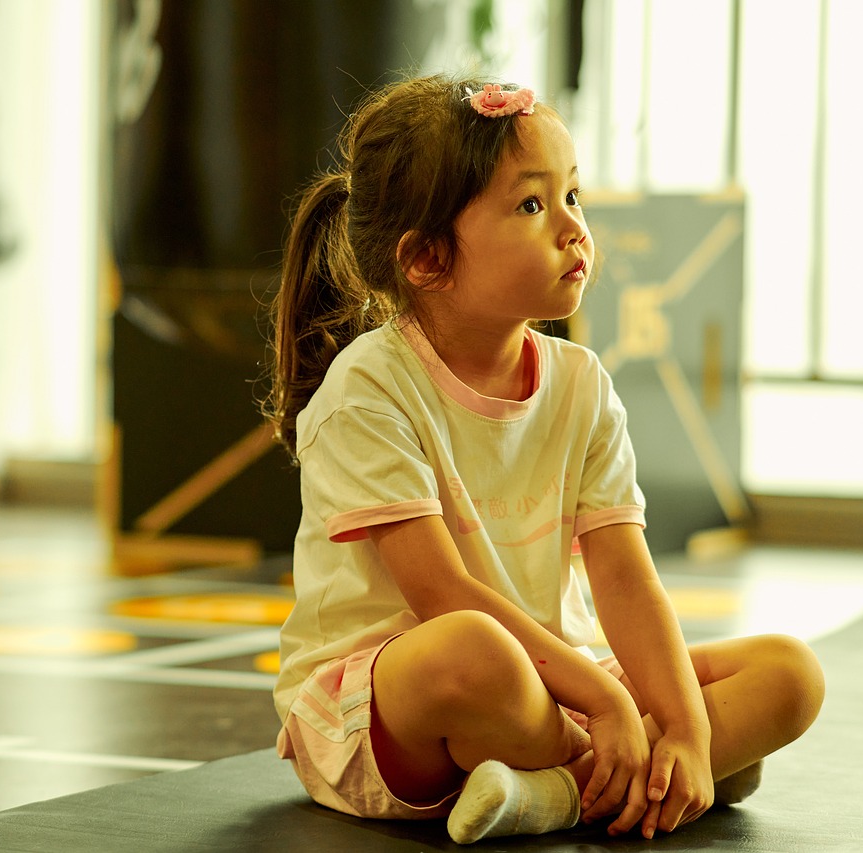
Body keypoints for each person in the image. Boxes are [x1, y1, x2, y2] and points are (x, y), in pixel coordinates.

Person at [263, 73, 825, 845]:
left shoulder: (581, 383)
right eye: (532, 205)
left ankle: (564, 789)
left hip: (554, 689)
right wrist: (611, 703)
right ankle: (637, 774)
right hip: (396, 711)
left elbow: (626, 579)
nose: (572, 227)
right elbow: (443, 595)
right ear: (427, 259)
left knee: (791, 673)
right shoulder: (367, 387)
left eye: (573, 196)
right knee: (475, 650)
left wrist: (684, 726)